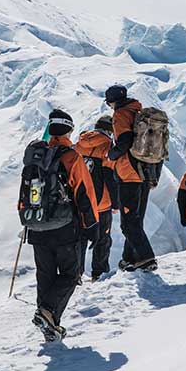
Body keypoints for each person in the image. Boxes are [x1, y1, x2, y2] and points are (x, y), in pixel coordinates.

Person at [25, 109, 99, 341]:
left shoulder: (35, 156)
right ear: (69, 129)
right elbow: (84, 194)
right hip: (65, 227)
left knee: (45, 275)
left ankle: (49, 324)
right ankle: (47, 312)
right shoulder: (71, 156)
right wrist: (92, 226)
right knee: (71, 274)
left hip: (37, 226)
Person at [105, 85, 158, 272]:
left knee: (128, 222)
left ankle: (146, 257)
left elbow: (124, 142)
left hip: (129, 174)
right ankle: (129, 259)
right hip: (144, 172)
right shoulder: (138, 111)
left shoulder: (121, 114)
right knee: (135, 219)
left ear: (112, 101)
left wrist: (111, 155)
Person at [74, 115, 118, 281]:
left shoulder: (78, 145)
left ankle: (76, 274)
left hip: (80, 202)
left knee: (80, 239)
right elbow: (109, 177)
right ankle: (98, 274)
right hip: (102, 204)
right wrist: (116, 202)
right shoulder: (108, 146)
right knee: (102, 239)